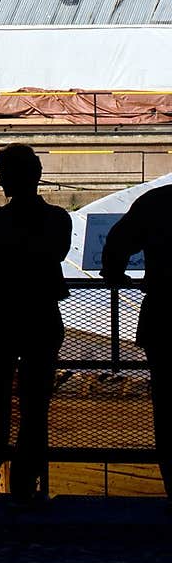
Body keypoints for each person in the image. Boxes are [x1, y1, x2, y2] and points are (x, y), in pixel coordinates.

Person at [0, 144, 71, 503]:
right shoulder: (58, 220)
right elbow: (54, 254)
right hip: (41, 314)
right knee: (35, 403)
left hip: (3, 315)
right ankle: (27, 482)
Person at [100, 182, 172, 506]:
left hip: (164, 316)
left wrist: (114, 273)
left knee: (167, 411)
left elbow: (116, 243)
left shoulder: (156, 202)